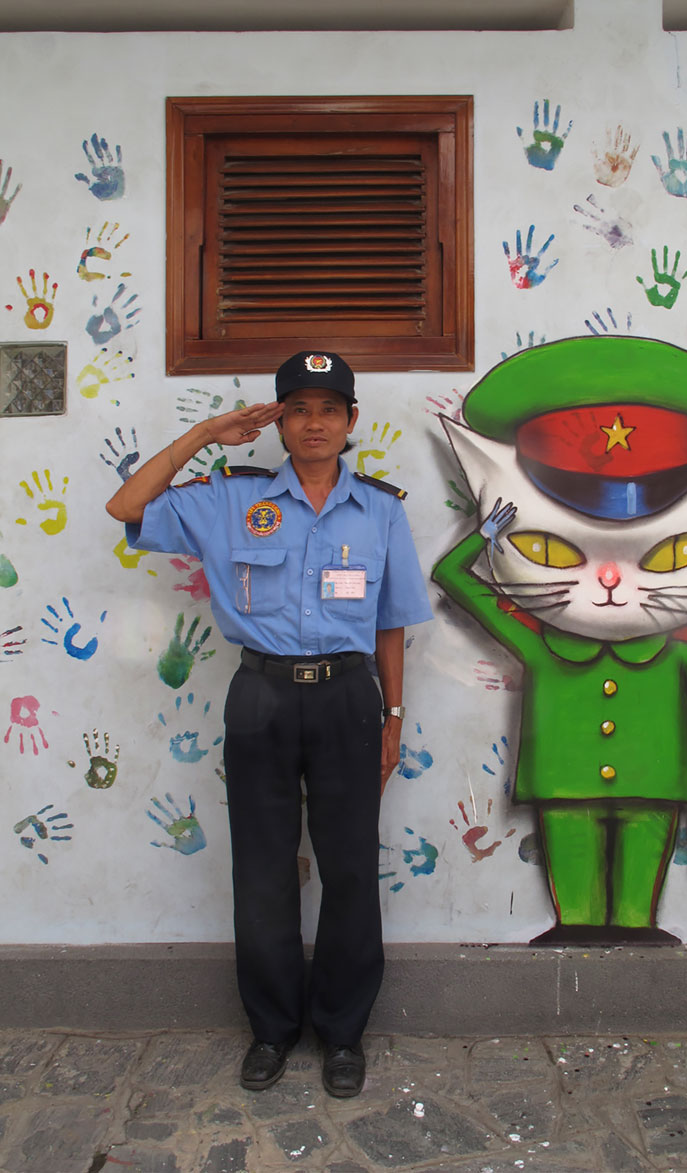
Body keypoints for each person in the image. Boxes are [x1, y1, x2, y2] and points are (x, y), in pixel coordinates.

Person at [106, 351, 433, 1097]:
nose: (315, 423)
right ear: (278, 423)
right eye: (299, 410)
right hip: (261, 694)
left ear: (351, 420)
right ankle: (272, 1029)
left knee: (350, 867)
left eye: (329, 409)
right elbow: (126, 507)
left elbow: (391, 622)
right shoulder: (230, 498)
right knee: (262, 868)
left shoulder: (380, 509)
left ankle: (342, 1032)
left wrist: (393, 715)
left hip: (349, 697)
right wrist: (203, 434)